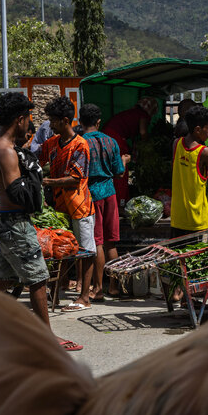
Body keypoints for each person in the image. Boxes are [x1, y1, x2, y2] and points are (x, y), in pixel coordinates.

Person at [0, 93, 82, 351]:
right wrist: (34, 175)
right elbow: (17, 193)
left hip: (8, 221)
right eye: (28, 118)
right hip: (14, 222)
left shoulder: (4, 147)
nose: (29, 123)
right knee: (39, 278)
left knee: (5, 279)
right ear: (19, 119)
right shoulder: (5, 151)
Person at [41, 96, 96, 313]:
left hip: (80, 206)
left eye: (53, 121)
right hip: (58, 205)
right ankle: (57, 290)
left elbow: (76, 178)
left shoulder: (81, 145)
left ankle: (84, 297)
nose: (50, 125)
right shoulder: (51, 144)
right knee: (59, 249)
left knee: (87, 250)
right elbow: (40, 163)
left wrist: (47, 181)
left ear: (65, 120)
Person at [80, 103, 125, 300]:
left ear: (80, 122)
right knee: (110, 242)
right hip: (110, 193)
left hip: (91, 194)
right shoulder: (111, 142)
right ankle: (113, 286)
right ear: (99, 122)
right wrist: (126, 161)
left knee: (96, 242)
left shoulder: (80, 143)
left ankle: (98, 288)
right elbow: (119, 171)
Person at [170, 105, 208, 238]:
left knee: (178, 253)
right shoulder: (204, 151)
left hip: (177, 215)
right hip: (196, 217)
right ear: (198, 129)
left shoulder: (176, 144)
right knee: (195, 253)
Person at [101, 97, 158, 204]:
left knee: (111, 170)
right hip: (115, 138)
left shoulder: (133, 112)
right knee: (121, 170)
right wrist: (148, 143)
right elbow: (143, 132)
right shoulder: (143, 115)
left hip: (107, 136)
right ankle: (120, 203)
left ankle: (112, 202)